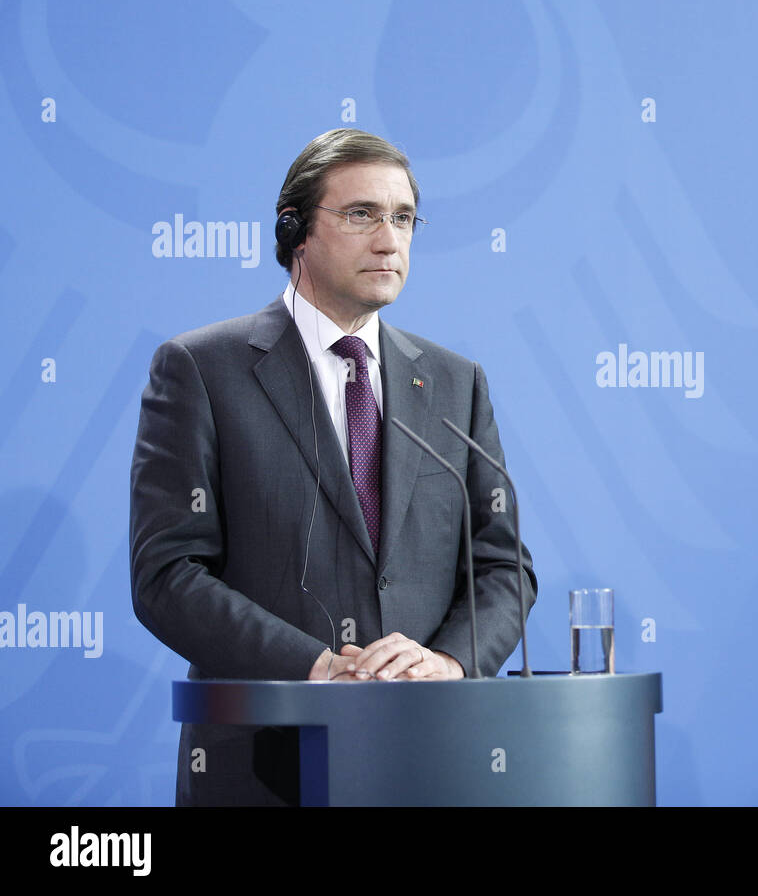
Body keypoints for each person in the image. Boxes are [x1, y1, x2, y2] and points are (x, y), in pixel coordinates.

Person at [130, 128, 536, 805]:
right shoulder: (202, 369)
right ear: (294, 233)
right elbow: (166, 574)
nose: (389, 240)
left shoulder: (454, 382)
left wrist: (447, 662)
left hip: (428, 758)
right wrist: (315, 667)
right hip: (265, 765)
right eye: (361, 215)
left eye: (403, 218)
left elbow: (502, 567)